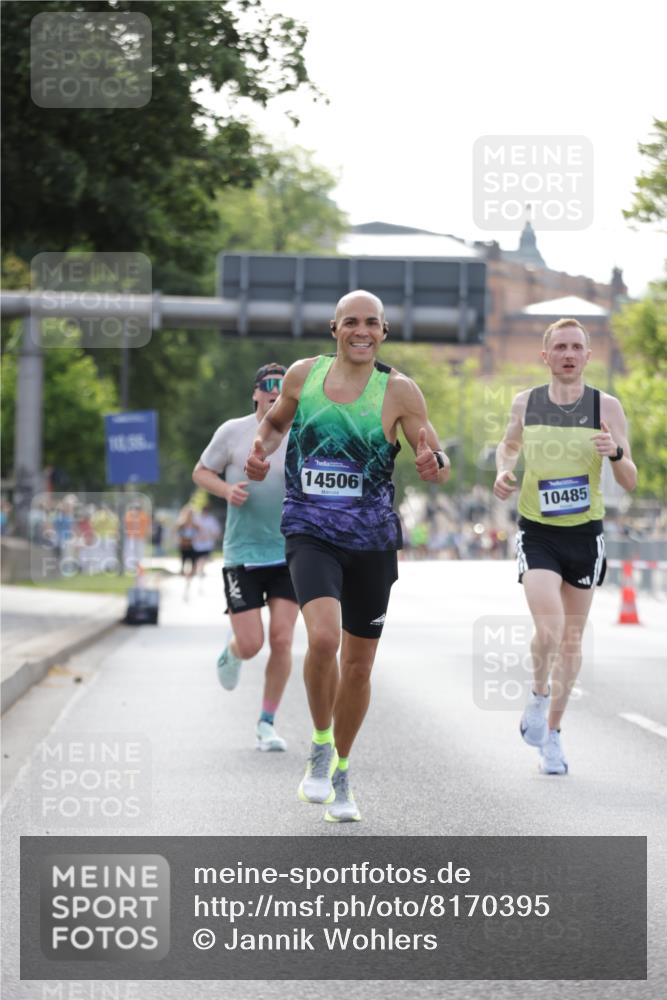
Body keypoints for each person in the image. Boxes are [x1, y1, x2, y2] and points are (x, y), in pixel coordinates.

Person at [245, 290, 450, 821]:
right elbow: (274, 422)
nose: (362, 331)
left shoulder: (400, 391)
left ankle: (341, 769)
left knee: (357, 668)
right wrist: (261, 448)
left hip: (372, 541)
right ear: (334, 328)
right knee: (325, 639)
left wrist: (435, 463)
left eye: (372, 324)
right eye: (351, 322)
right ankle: (317, 744)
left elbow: (433, 452)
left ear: (383, 332)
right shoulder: (302, 376)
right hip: (310, 530)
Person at [493, 317, 637, 775]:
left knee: (572, 641)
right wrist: (503, 471)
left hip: (585, 534)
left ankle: (553, 734)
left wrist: (614, 452)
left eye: (577, 347)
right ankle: (537, 695)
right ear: (546, 355)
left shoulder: (605, 406)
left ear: (588, 356)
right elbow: (508, 446)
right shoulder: (526, 402)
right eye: (561, 347)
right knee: (550, 629)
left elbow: (630, 480)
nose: (569, 354)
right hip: (538, 531)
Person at [193, 364, 299, 752]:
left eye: (282, 390)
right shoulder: (232, 432)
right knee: (253, 643)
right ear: (255, 394)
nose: (275, 395)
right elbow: (201, 471)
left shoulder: (302, 432)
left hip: (289, 551)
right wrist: (225, 490)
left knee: (283, 640)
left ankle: (266, 723)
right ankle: (234, 649)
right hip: (243, 552)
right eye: (268, 390)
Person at [191, 504, 221, 590]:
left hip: (207, 545)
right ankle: (198, 574)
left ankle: (200, 578)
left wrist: (208, 536)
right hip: (196, 545)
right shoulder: (196, 519)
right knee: (197, 563)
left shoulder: (212, 520)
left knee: (202, 561)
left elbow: (216, 532)